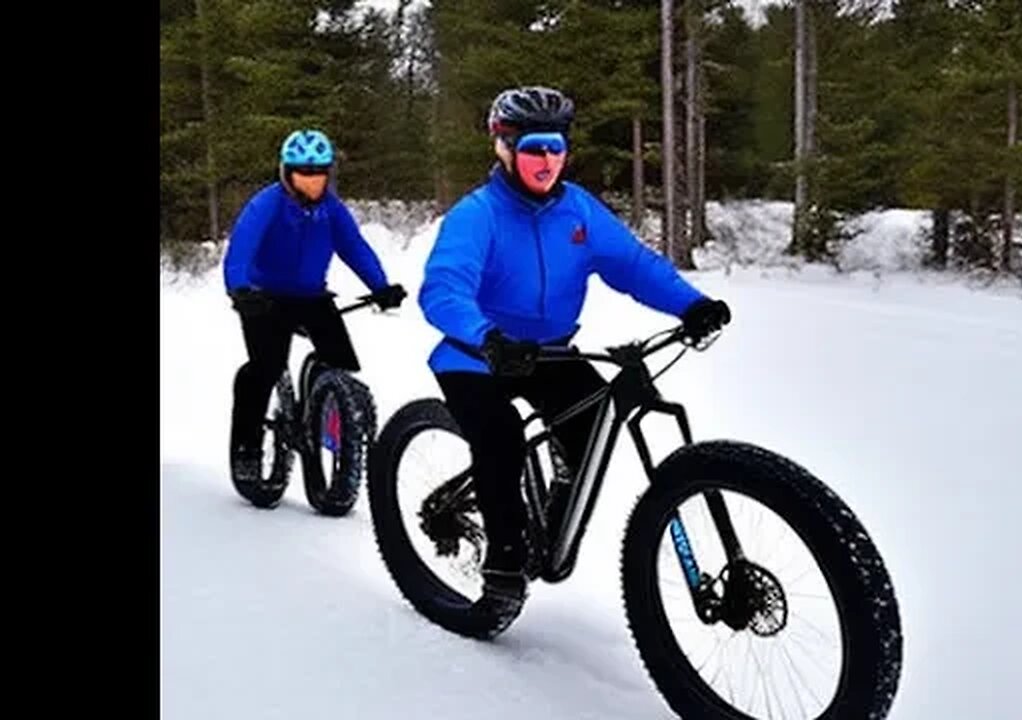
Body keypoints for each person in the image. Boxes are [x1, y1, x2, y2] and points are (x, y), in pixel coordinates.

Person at [418, 86, 731, 615]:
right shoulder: (478, 215)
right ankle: (504, 566)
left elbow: (632, 265)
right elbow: (443, 288)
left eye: (556, 147)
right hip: (476, 355)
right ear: (504, 147)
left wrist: (690, 304)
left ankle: (550, 524)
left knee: (593, 428)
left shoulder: (578, 210)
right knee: (501, 442)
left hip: (549, 354)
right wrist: (488, 336)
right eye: (534, 148)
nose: (547, 161)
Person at [223, 128, 407, 488]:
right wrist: (240, 289)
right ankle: (246, 449)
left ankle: (329, 423)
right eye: (304, 173)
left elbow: (355, 249)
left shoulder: (332, 211)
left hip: (311, 296)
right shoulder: (267, 204)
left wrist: (381, 287)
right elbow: (239, 252)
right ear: (287, 173)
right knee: (264, 369)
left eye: (319, 173)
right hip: (264, 297)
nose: (312, 181)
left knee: (341, 364)